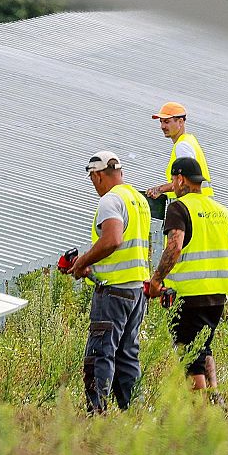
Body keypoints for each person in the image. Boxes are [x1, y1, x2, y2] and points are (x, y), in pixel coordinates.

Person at [60, 151, 151, 414]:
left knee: (100, 354)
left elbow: (112, 240)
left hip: (113, 292)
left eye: (92, 179)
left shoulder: (110, 200)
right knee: (127, 356)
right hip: (136, 290)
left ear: (98, 175)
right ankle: (133, 414)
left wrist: (82, 262)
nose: (93, 184)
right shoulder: (138, 199)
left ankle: (96, 415)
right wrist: (91, 264)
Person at [147, 156, 228, 401]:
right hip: (218, 295)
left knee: (189, 355)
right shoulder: (221, 210)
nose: (172, 184)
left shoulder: (179, 208)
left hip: (188, 295)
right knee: (203, 346)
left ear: (180, 179)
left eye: (173, 179)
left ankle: (200, 410)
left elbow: (175, 247)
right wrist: (212, 269)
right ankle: (214, 396)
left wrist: (156, 281)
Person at [146, 102, 212, 209]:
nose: (162, 126)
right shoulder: (189, 140)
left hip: (191, 206)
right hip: (200, 205)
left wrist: (159, 190)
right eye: (161, 122)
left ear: (180, 122)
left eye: (167, 122)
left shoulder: (182, 146)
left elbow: (186, 180)